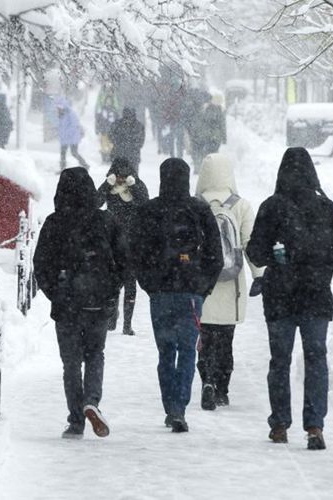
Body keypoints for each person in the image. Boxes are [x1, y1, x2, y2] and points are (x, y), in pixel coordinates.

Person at [245, 147, 333, 450]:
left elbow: (254, 252)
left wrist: (277, 256)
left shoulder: (272, 207)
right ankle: (315, 425)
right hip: (316, 297)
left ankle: (280, 424)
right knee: (316, 360)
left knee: (279, 361)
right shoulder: (326, 208)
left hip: (280, 298)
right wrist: (321, 258)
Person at [34, 167, 126, 440]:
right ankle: (92, 402)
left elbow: (41, 264)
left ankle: (76, 420)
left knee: (71, 363)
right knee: (96, 354)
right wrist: (110, 290)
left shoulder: (54, 222)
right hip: (97, 302)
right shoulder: (106, 221)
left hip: (67, 306)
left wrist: (56, 293)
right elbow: (124, 260)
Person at [131, 157, 222, 433]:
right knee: (187, 351)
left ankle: (170, 406)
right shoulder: (199, 210)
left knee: (165, 351)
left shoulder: (149, 211)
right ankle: (180, 407)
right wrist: (202, 288)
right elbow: (216, 256)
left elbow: (135, 253)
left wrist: (150, 284)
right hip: (191, 293)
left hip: (161, 293)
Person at [193, 153, 261, 411]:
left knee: (205, 339)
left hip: (203, 284)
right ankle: (222, 388)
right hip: (231, 285)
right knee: (225, 341)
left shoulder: (196, 204)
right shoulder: (240, 206)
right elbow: (250, 244)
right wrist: (260, 274)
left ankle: (206, 379)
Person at [97, 157, 149, 336]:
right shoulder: (109, 187)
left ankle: (127, 324)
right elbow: (95, 203)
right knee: (112, 282)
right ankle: (112, 318)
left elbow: (145, 204)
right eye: (118, 175)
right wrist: (106, 184)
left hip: (133, 243)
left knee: (130, 283)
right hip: (111, 241)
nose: (120, 179)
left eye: (123, 176)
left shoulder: (137, 186)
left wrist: (133, 186)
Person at [189, 96, 226, 167]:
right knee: (214, 153)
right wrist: (224, 138)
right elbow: (223, 126)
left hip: (206, 135)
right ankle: (212, 167)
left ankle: (202, 166)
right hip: (216, 137)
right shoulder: (220, 111)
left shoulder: (205, 109)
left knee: (205, 152)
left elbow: (199, 123)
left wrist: (196, 133)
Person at [57, 105, 89, 170]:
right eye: (57, 109)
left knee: (74, 153)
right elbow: (62, 126)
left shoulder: (70, 113)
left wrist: (67, 133)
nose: (58, 110)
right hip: (65, 138)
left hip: (72, 138)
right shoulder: (61, 115)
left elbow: (74, 125)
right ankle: (62, 168)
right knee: (63, 152)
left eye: (59, 108)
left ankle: (85, 165)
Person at [95, 84, 121, 162]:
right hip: (103, 131)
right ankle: (104, 157)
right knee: (103, 145)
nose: (108, 102)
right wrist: (97, 128)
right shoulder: (101, 111)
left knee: (111, 145)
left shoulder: (114, 111)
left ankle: (111, 158)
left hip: (112, 132)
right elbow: (98, 120)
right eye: (107, 101)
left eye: (109, 101)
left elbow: (117, 121)